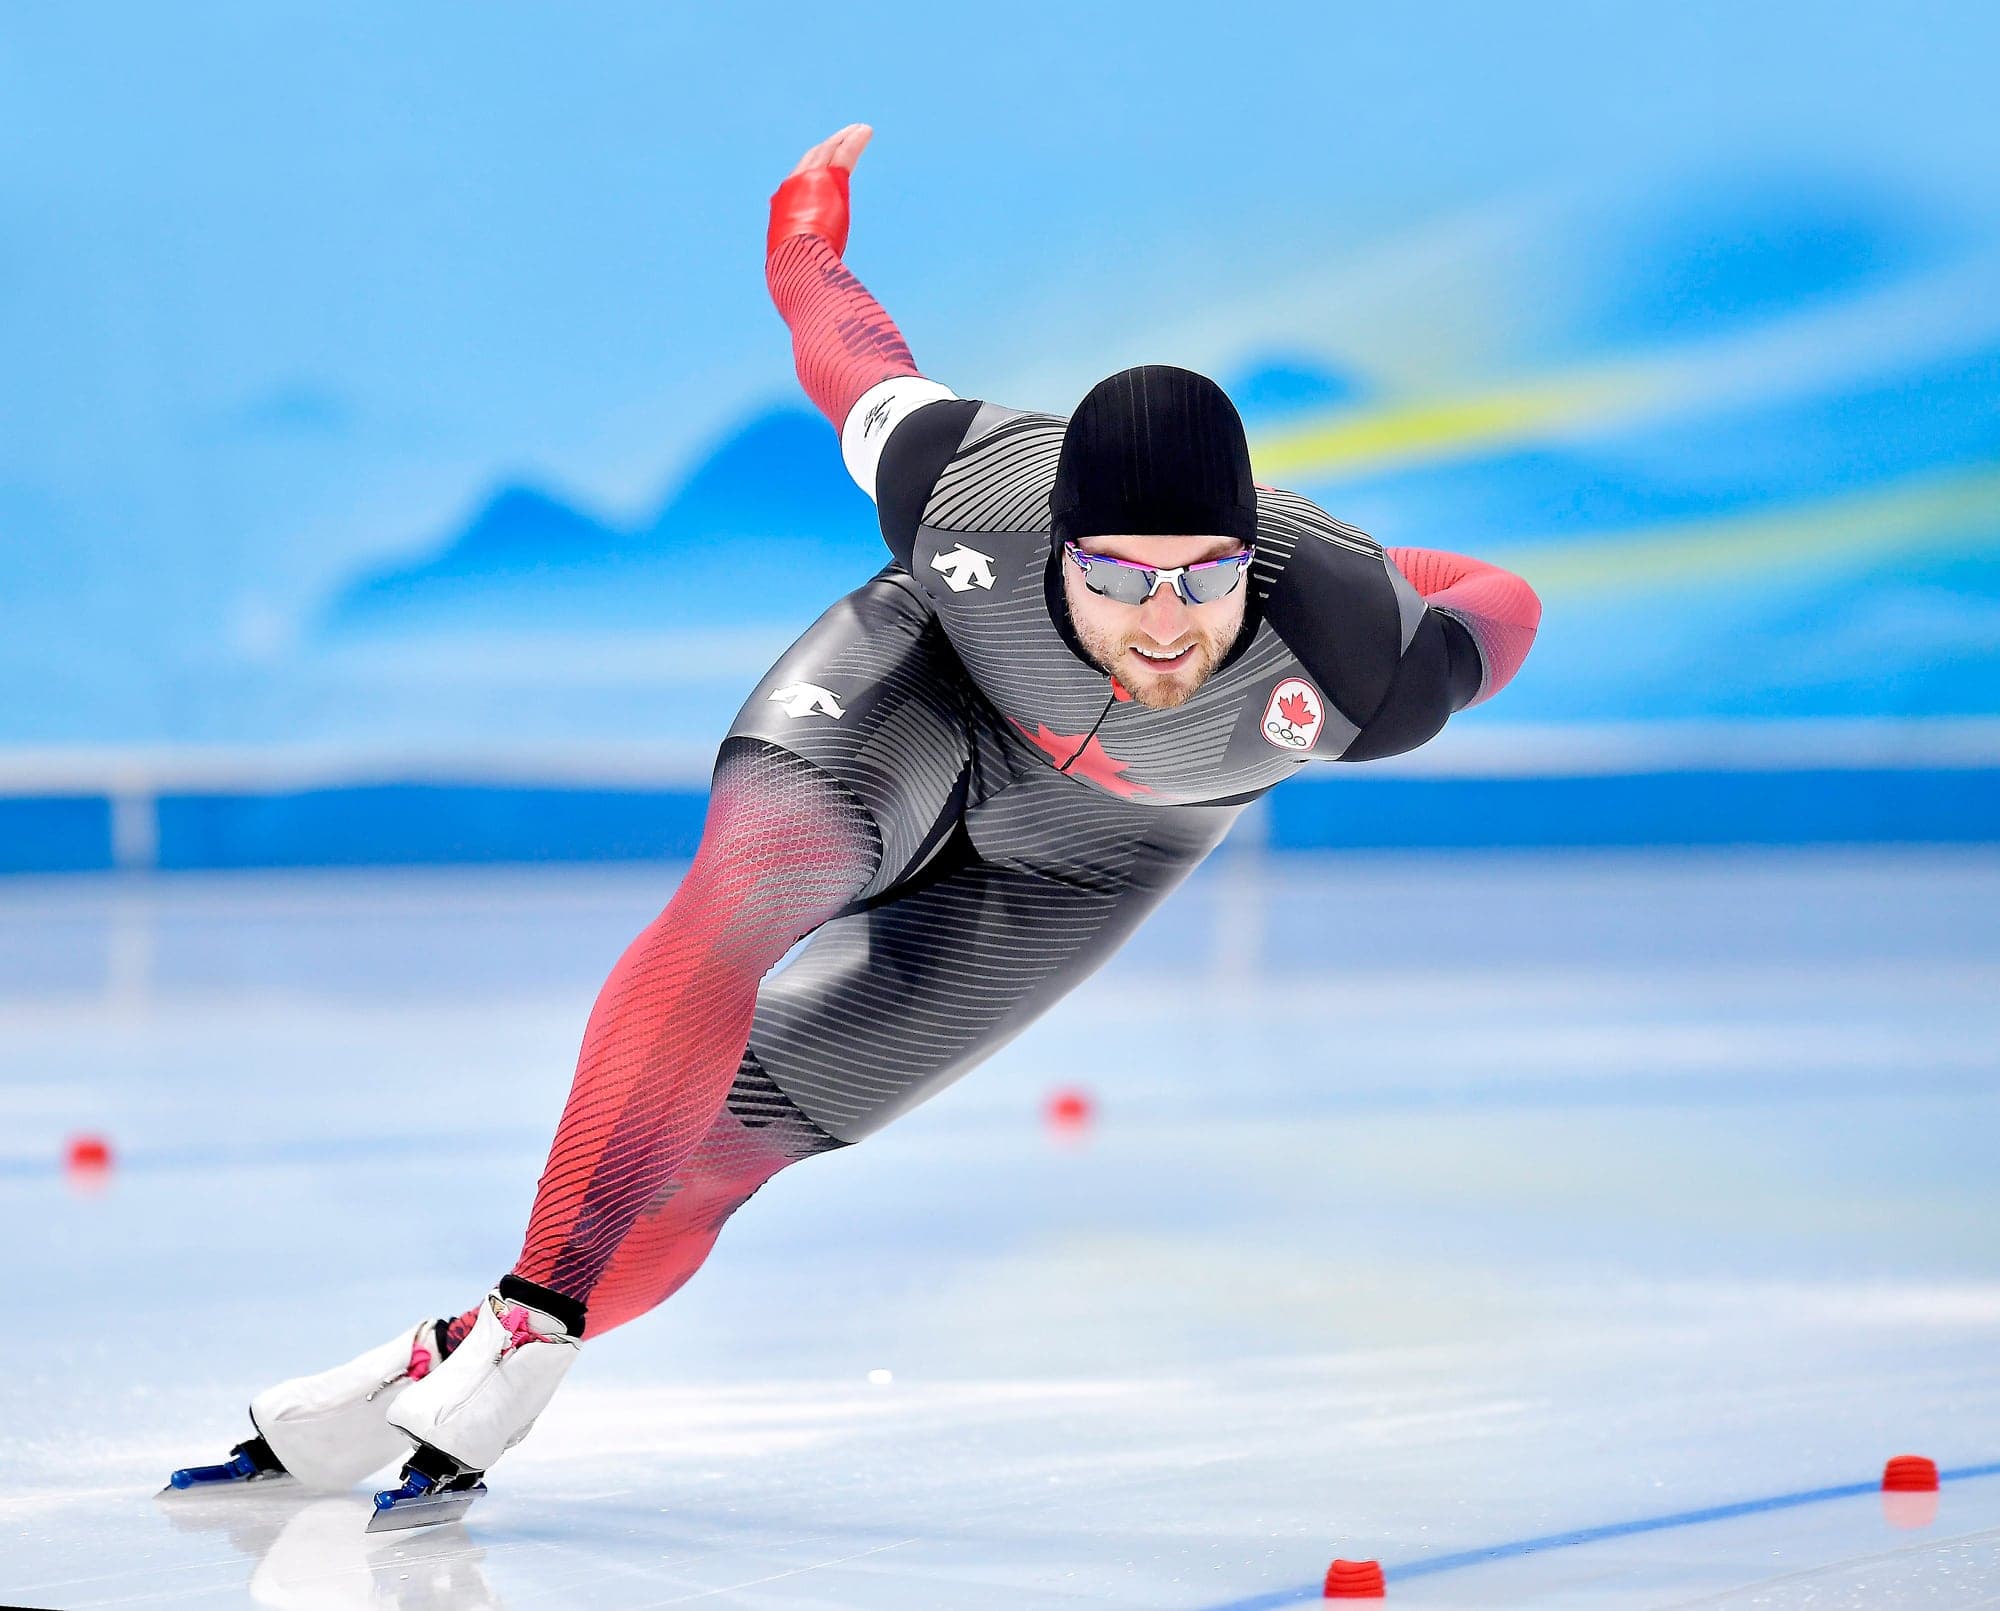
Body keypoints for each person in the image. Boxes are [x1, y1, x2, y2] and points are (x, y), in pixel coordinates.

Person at [166, 123, 1540, 1529]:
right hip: (924, 689)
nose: (1165, 626)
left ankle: (436, 1361)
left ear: (1257, 560)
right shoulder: (965, 484)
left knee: (721, 1157)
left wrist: (1376, 567)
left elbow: (1501, 597)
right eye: (1119, 576)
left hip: (1110, 846)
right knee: (764, 871)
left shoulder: (1357, 662)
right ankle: (531, 1322)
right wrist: (803, 234)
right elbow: (845, 351)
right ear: (1052, 541)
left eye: (1207, 581)